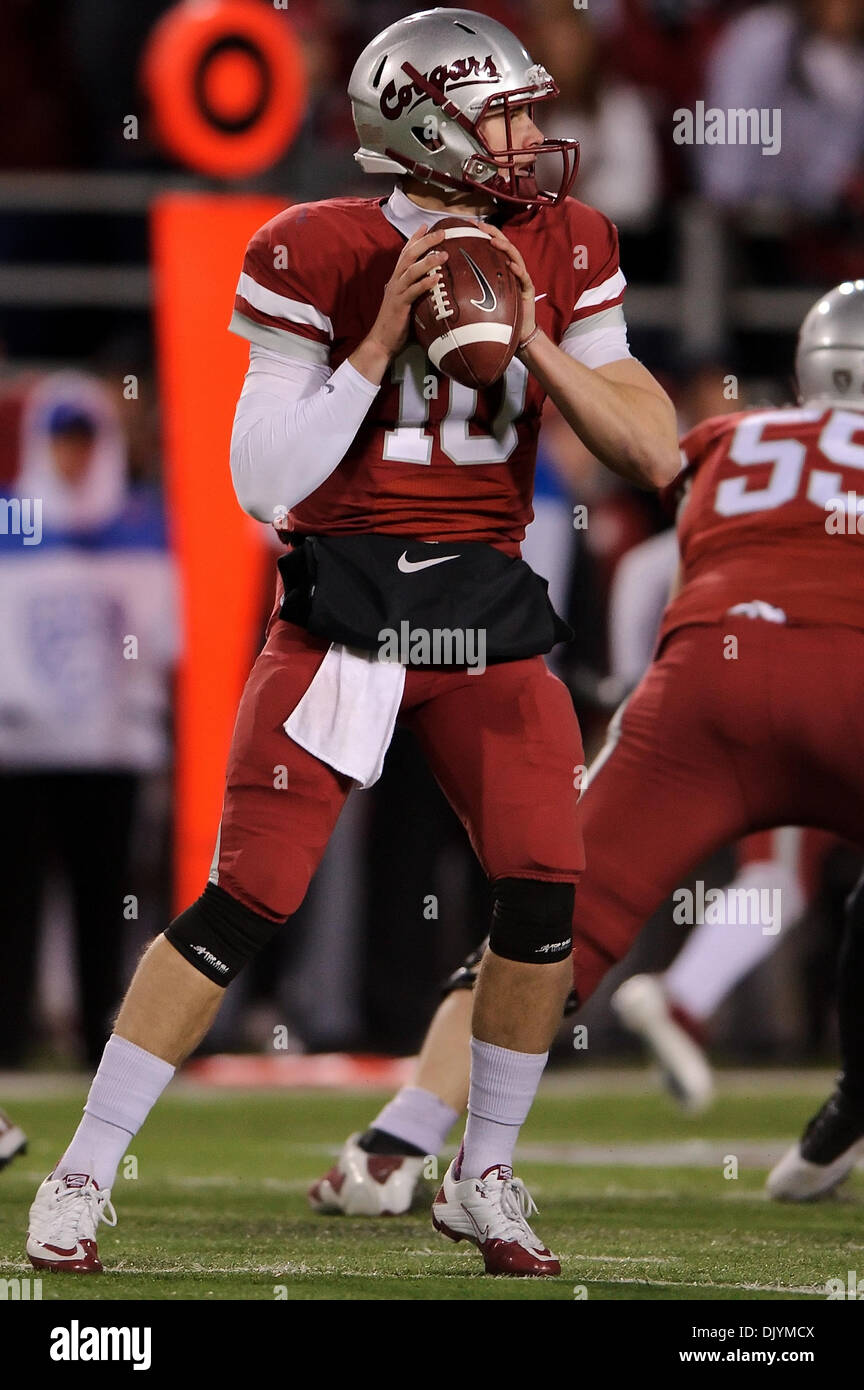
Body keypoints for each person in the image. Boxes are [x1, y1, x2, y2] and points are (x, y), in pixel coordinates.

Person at [25, 7, 679, 1278]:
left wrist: (528, 329)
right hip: (351, 605)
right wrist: (380, 335)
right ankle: (81, 1172)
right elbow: (263, 478)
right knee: (242, 903)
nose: (538, 137)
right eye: (508, 113)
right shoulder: (310, 245)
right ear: (427, 127)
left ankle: (482, 1173)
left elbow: (651, 447)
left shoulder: (566, 239)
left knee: (549, 886)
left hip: (487, 604)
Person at [308, 278, 864, 1216]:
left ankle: (397, 1141)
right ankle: (852, 1101)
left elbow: (689, 537)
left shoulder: (731, 437)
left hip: (706, 686)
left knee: (549, 921)